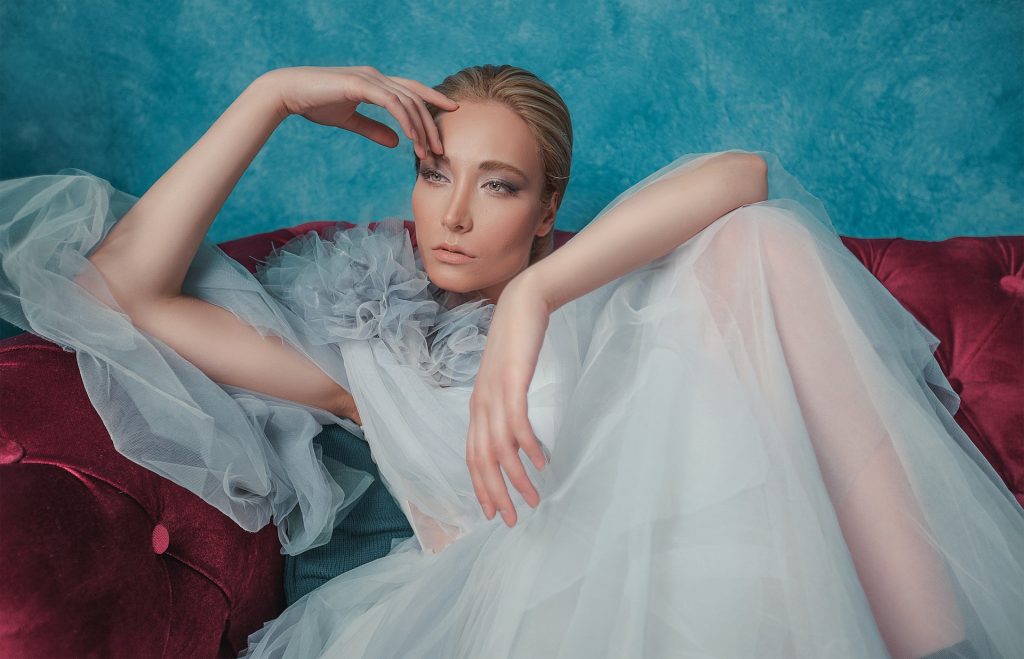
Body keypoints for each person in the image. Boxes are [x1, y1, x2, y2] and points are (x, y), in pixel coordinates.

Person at [0, 64, 1021, 659]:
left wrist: (535, 297)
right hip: (511, 615)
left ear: (547, 211)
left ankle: (929, 642)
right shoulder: (363, 344)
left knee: (762, 244)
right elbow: (115, 291)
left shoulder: (610, 305)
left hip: (684, 564)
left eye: (496, 186)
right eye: (435, 172)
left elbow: (744, 180)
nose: (449, 212)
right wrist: (267, 97)